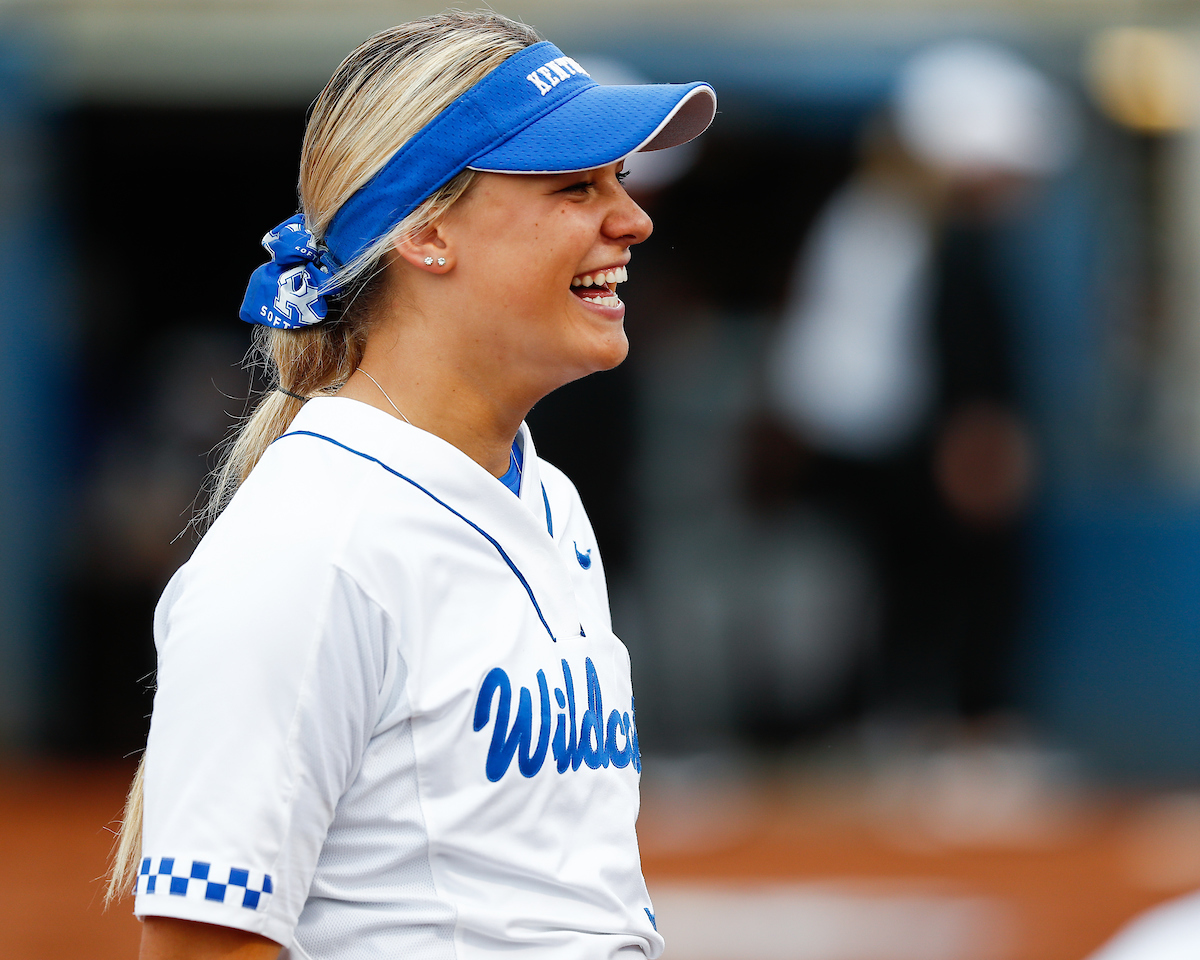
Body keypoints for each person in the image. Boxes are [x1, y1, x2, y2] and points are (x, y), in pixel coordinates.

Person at [104, 13, 715, 959]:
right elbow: (201, 945)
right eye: (574, 184)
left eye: (620, 182)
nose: (632, 219)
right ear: (427, 232)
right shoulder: (309, 546)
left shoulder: (543, 496)